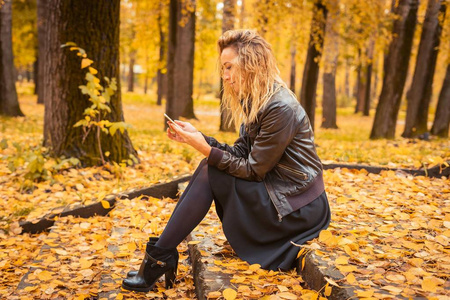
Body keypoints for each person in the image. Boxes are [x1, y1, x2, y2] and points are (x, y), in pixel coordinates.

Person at [122, 29, 331, 293]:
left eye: (229, 67)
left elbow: (253, 170)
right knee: (209, 166)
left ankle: (160, 257)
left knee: (211, 168)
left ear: (251, 65)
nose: (225, 76)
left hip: (298, 208)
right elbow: (241, 154)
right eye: (224, 68)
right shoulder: (258, 100)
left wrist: (206, 150)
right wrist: (199, 139)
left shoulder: (280, 107)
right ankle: (161, 253)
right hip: (279, 194)